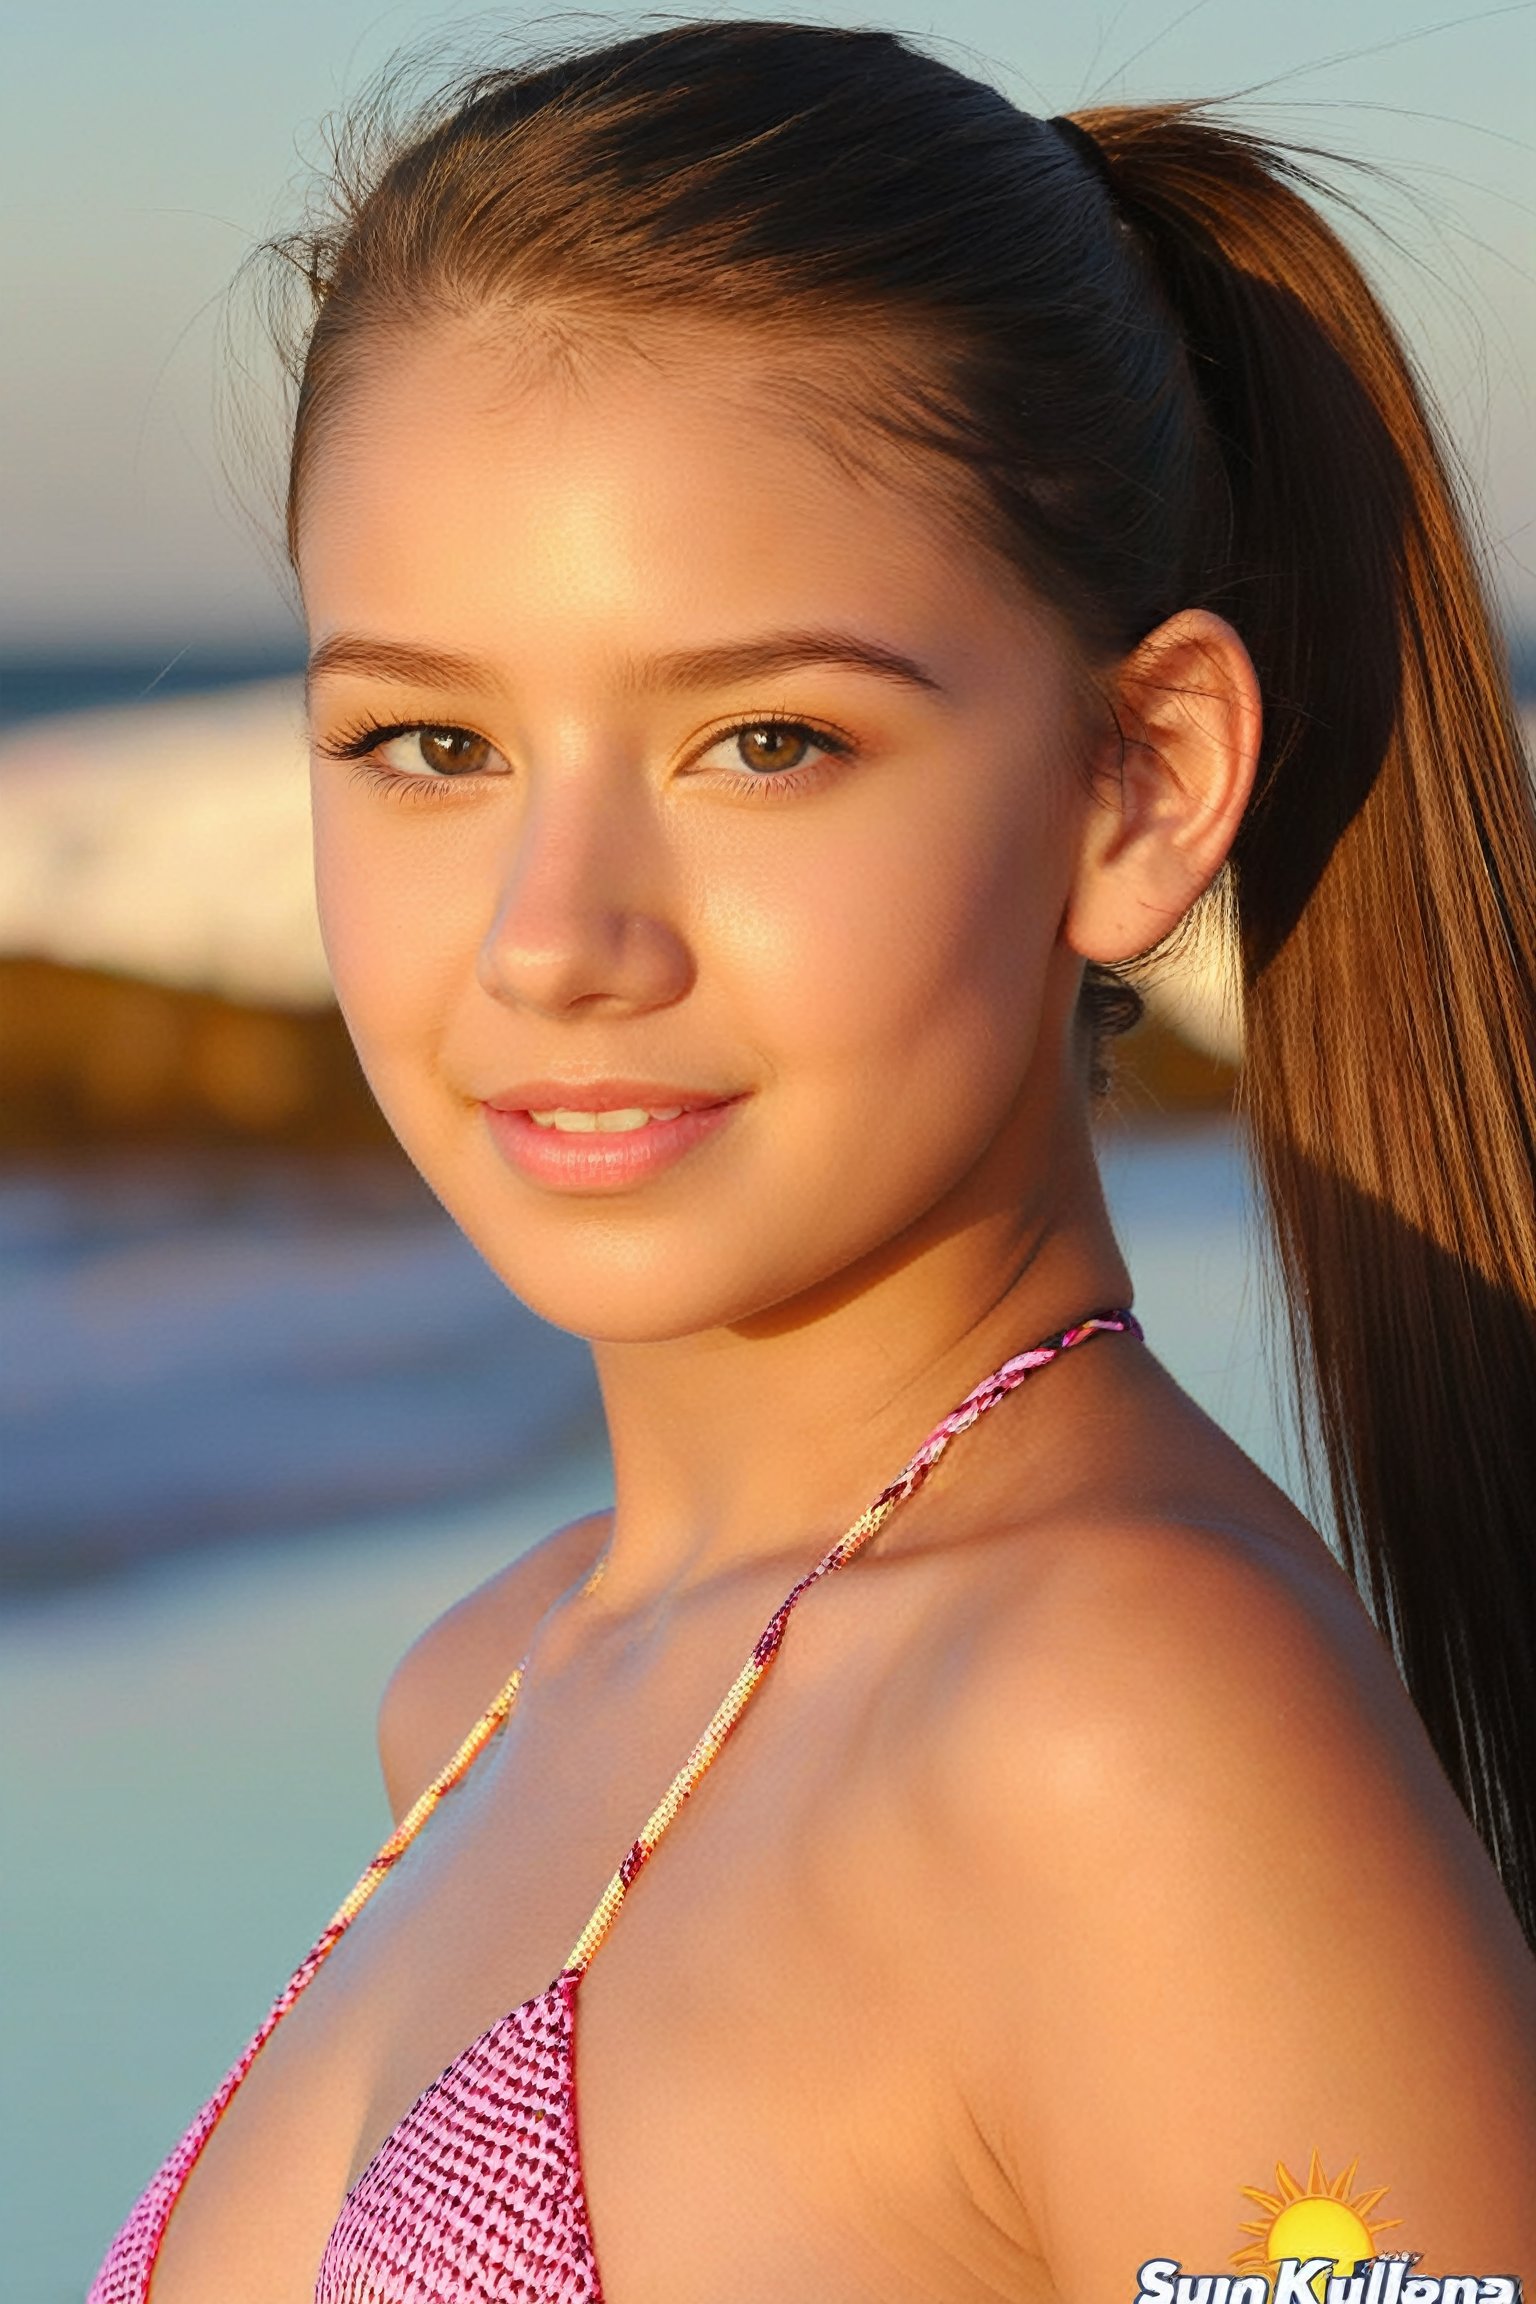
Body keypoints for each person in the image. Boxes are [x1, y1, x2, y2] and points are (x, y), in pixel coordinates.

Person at [91, 20, 1535, 2303]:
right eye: (428, 741)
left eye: (767, 739)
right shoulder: (486, 1690)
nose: (558, 939)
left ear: (1140, 783)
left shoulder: (1124, 1744)